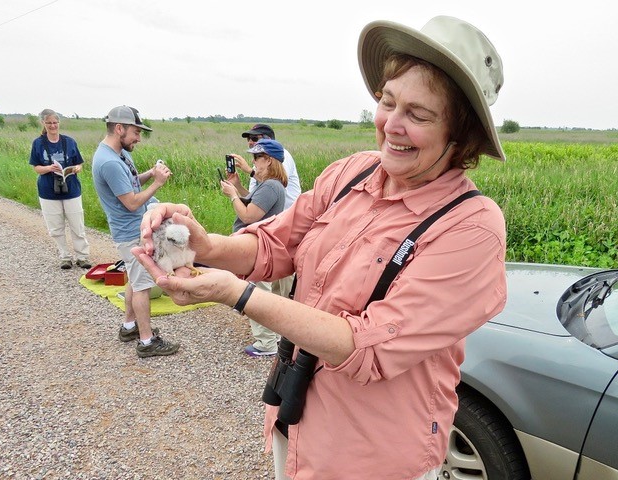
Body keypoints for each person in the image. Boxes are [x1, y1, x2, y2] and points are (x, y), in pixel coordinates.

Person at [134, 15, 507, 479]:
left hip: (372, 458)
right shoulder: (353, 172)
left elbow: (367, 347)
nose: (391, 125)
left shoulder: (472, 227)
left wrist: (237, 294)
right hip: (296, 423)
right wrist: (201, 244)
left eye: (418, 114)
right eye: (387, 102)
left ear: (460, 135)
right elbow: (275, 246)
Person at [92, 105, 179, 358]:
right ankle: (146, 341)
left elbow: (128, 183)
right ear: (119, 128)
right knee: (142, 286)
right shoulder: (108, 161)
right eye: (135, 132)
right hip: (131, 231)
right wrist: (158, 183)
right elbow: (130, 202)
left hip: (134, 227)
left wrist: (150, 174)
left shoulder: (118, 153)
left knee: (134, 278)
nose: (138, 138)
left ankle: (129, 326)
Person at [227, 124, 302, 356]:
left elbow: (249, 214)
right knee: (266, 289)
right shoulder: (268, 184)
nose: (255, 162)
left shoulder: (270, 185)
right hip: (266, 242)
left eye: (258, 157)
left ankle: (266, 343)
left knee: (257, 292)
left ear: (268, 160)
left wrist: (231, 196)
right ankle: (275, 336)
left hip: (260, 243)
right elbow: (251, 200)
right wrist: (235, 185)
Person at [29, 109, 91, 270]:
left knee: (77, 224)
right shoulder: (38, 143)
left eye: (55, 122)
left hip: (71, 188)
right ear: (43, 123)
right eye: (49, 123)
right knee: (56, 227)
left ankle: (82, 256)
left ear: (59, 123)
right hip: (48, 190)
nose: (52, 126)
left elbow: (79, 163)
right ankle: (65, 257)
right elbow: (36, 167)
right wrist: (49, 168)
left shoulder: (69, 142)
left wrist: (76, 168)